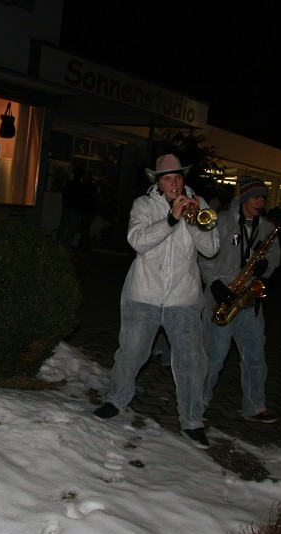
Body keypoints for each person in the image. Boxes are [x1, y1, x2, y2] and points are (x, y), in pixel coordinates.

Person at [93, 154, 220, 450]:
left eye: (177, 178)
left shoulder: (198, 205)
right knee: (131, 353)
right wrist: (170, 220)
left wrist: (192, 221)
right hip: (144, 294)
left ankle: (192, 421)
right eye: (167, 179)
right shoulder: (143, 205)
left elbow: (211, 250)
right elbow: (137, 241)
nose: (174, 183)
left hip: (184, 297)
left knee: (191, 362)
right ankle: (115, 401)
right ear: (158, 183)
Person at [199, 175, 281, 424]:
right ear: (244, 197)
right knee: (214, 357)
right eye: (256, 197)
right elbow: (205, 252)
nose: (260, 202)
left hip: (249, 301)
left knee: (255, 356)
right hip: (223, 296)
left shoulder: (266, 228)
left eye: (263, 198)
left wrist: (265, 268)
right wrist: (214, 283)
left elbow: (275, 255)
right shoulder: (223, 221)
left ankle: (255, 406)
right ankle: (198, 403)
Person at [56, 167, 83, 247]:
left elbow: (64, 194)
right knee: (71, 229)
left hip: (67, 207)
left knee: (62, 226)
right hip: (74, 209)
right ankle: (67, 245)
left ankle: (58, 242)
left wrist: (64, 204)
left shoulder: (69, 183)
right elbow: (80, 198)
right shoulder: (80, 185)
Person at [77, 171, 98, 252]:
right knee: (85, 228)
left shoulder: (88, 186)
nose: (84, 178)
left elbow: (87, 199)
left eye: (85, 176)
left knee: (85, 228)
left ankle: (83, 245)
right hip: (88, 210)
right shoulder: (88, 186)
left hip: (88, 211)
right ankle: (85, 246)